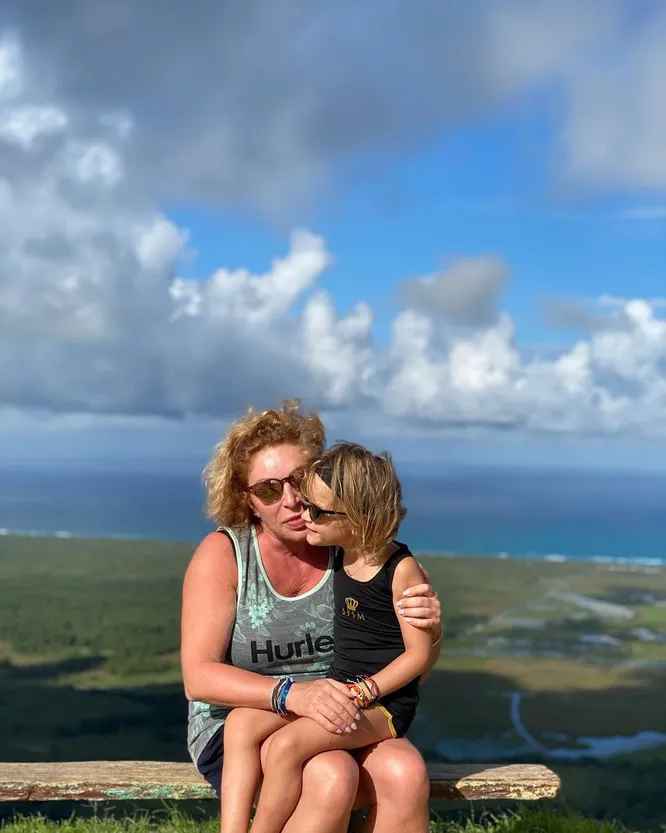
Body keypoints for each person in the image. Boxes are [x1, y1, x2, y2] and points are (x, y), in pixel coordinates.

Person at [181, 401, 442, 833]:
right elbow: (199, 679)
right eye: (269, 490)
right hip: (242, 722)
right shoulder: (225, 556)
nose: (291, 500)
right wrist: (292, 695)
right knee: (331, 774)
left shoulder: (357, 554)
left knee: (405, 773)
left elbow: (411, 665)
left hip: (345, 709)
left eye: (299, 481)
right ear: (246, 500)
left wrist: (431, 630)